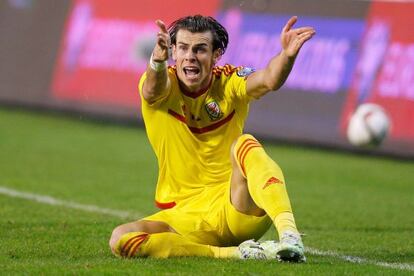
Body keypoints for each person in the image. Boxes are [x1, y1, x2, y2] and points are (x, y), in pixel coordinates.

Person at [109, 14, 315, 261]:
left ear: (216, 55)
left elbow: (269, 78)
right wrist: (157, 61)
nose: (190, 56)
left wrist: (286, 56)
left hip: (236, 206)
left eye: (200, 49)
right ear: (172, 51)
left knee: (245, 143)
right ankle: (235, 254)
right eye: (183, 48)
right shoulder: (163, 82)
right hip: (186, 216)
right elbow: (152, 90)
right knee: (121, 238)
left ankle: (289, 234)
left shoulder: (230, 82)